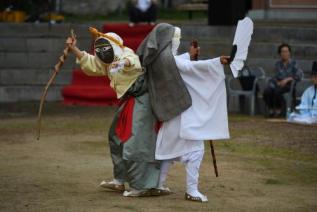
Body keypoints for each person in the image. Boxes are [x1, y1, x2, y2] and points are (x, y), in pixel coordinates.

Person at [65, 27, 169, 197]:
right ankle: (120, 180)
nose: (103, 53)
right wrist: (73, 49)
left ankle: (141, 185)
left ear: (114, 47)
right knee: (116, 137)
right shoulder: (106, 61)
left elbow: (132, 61)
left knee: (136, 142)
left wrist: (122, 63)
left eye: (106, 49)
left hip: (142, 99)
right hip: (128, 100)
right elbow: (91, 63)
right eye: (100, 50)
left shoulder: (125, 53)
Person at [137, 24, 231, 202]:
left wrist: (189, 55)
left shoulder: (157, 57)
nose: (177, 42)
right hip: (180, 112)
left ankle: (159, 184)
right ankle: (191, 190)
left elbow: (178, 62)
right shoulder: (168, 60)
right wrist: (217, 61)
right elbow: (188, 68)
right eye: (176, 38)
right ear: (168, 40)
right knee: (196, 149)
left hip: (169, 112)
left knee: (167, 150)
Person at [263, 43, 303, 117]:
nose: (284, 53)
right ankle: (271, 109)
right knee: (267, 91)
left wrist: (287, 79)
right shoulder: (277, 64)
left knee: (277, 91)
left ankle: (279, 111)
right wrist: (277, 82)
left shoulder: (294, 63)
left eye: (286, 51)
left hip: (289, 86)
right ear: (280, 53)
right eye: (282, 52)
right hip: (278, 84)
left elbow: (299, 75)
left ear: (289, 53)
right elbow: (273, 76)